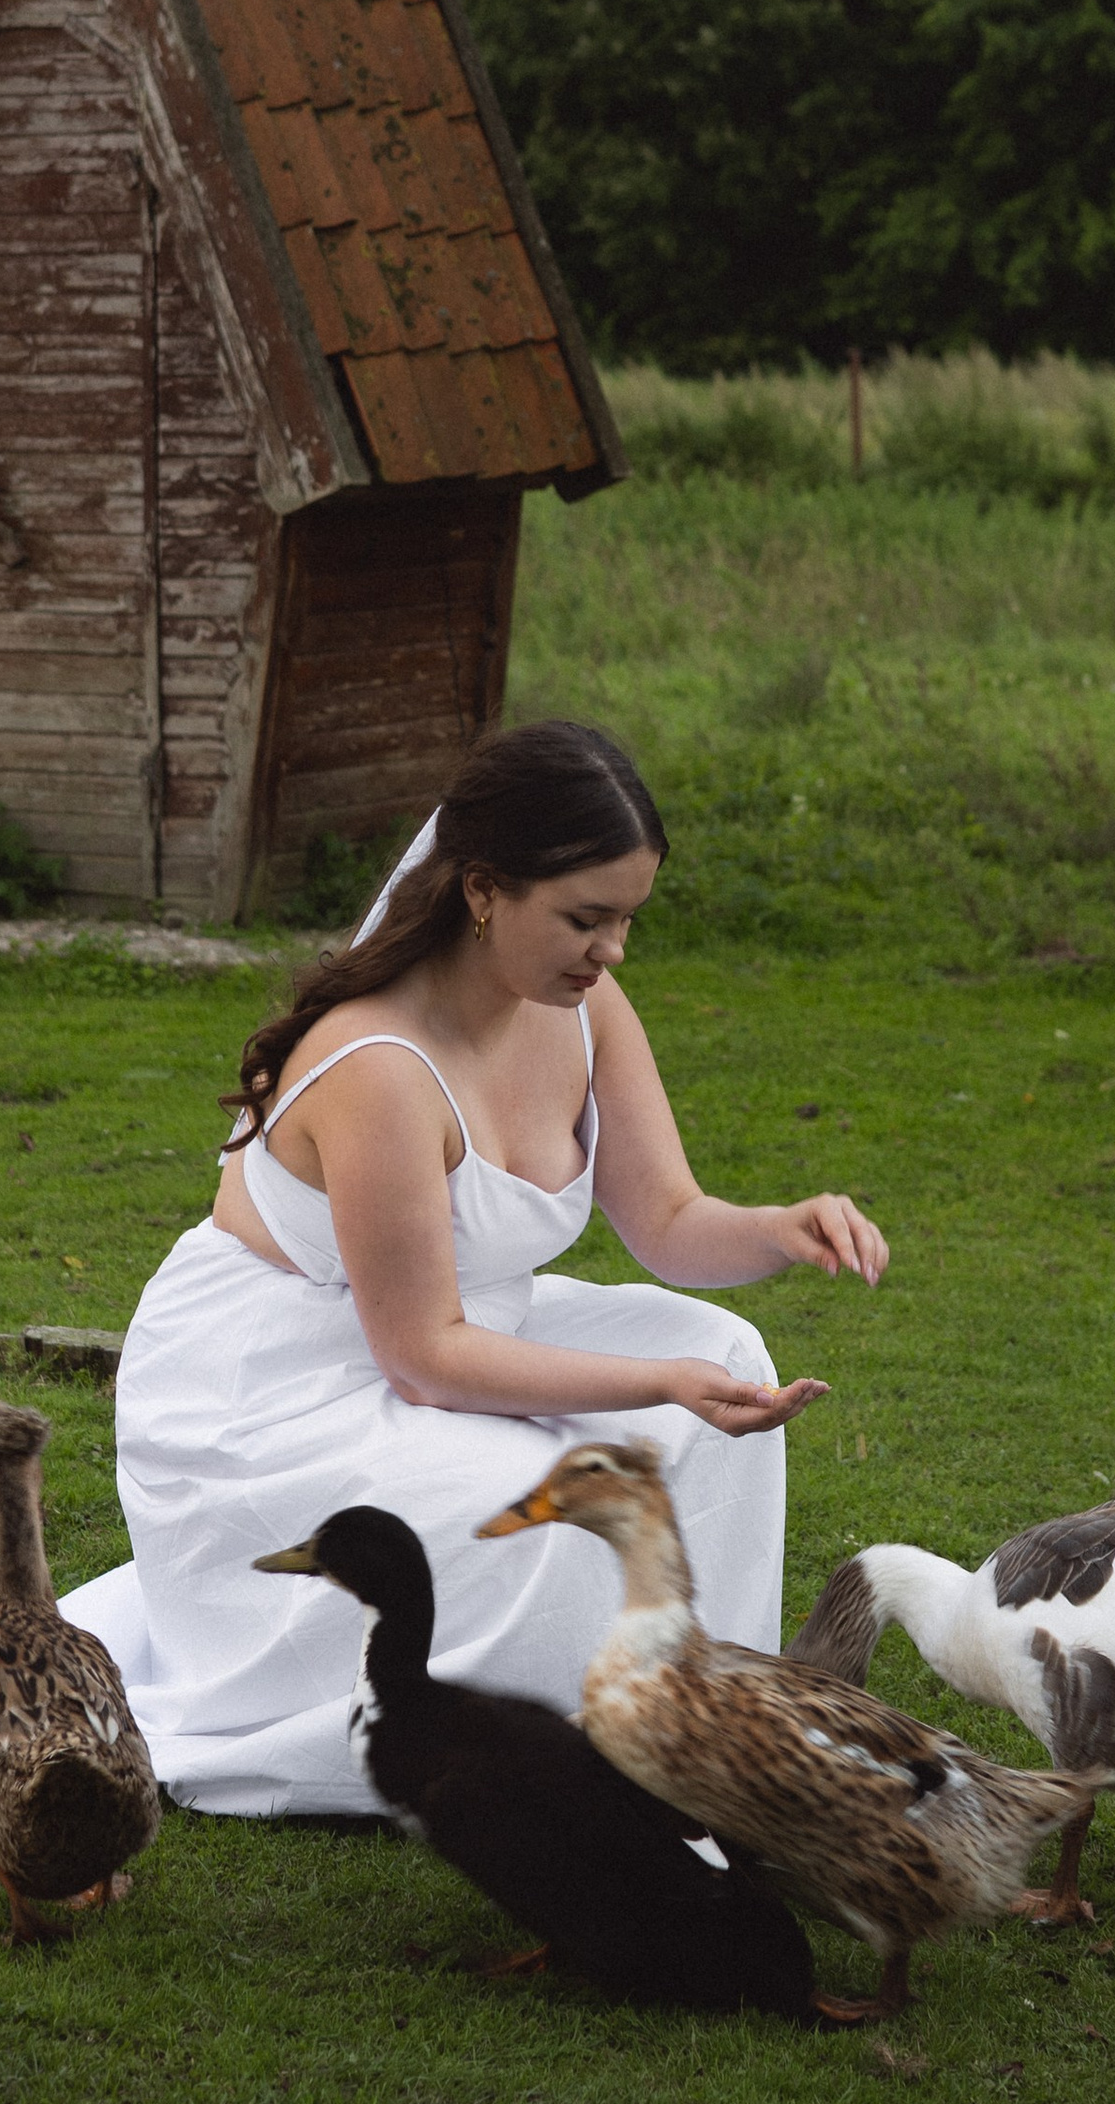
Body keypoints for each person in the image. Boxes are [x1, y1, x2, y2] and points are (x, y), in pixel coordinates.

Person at [60, 720, 887, 1814]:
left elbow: (670, 1220)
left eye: (627, 919)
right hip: (286, 1380)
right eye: (585, 919)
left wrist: (781, 1226)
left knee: (721, 1345)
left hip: (463, 1326)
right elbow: (423, 1357)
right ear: (485, 889)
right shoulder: (377, 1066)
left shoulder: (583, 1006)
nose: (611, 951)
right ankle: (536, 1762)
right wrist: (655, 1386)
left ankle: (696, 1724)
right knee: (547, 1508)